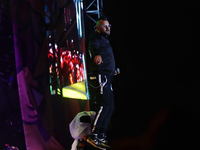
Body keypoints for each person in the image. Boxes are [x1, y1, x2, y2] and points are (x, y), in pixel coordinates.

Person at [87, 16, 120, 149]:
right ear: (97, 28)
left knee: (110, 107)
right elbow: (93, 47)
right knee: (103, 106)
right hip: (101, 77)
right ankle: (93, 135)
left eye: (109, 26)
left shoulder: (105, 40)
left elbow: (105, 57)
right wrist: (96, 54)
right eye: (105, 26)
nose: (108, 28)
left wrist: (113, 70)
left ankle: (101, 135)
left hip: (108, 76)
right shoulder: (96, 37)